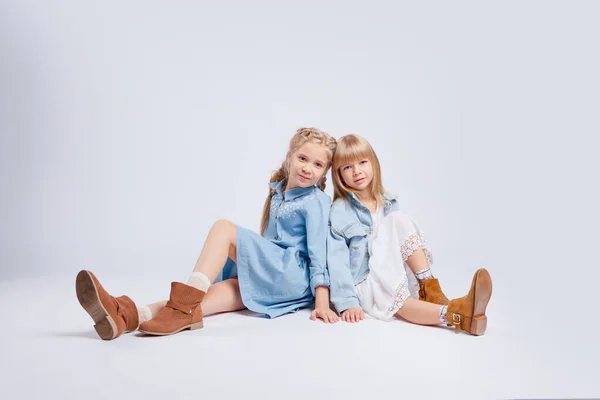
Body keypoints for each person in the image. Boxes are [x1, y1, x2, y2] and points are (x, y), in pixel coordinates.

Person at [76, 127, 340, 340]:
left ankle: (175, 310)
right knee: (205, 299)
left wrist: (322, 302)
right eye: (303, 158)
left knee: (223, 228)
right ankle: (127, 316)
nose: (307, 168)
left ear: (324, 173)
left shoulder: (316, 201)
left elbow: (319, 255)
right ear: (289, 157)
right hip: (273, 275)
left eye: (317, 165)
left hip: (291, 275)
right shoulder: (278, 191)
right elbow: (269, 241)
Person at [327, 134, 492, 335]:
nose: (357, 171)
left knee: (398, 220)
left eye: (362, 162)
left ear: (374, 164)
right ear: (339, 175)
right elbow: (336, 262)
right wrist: (346, 302)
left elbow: (399, 243)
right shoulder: (340, 211)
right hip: (365, 282)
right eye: (347, 167)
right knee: (396, 296)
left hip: (391, 272)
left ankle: (456, 313)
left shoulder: (388, 202)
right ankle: (445, 303)